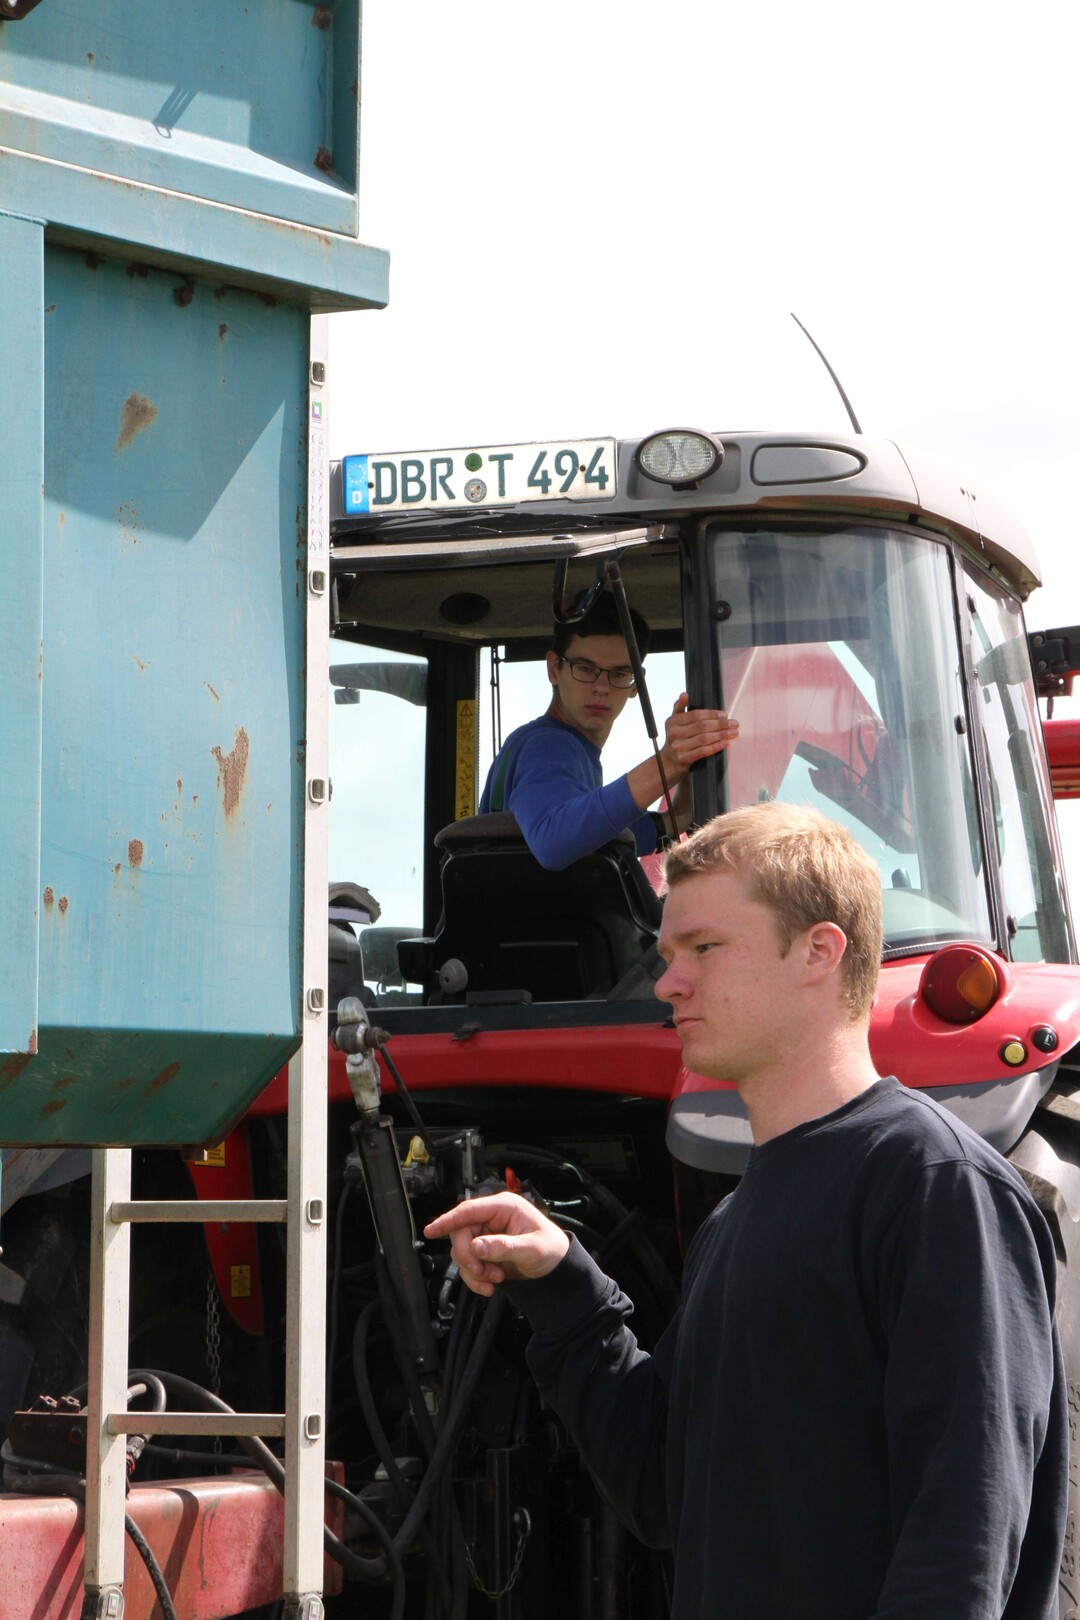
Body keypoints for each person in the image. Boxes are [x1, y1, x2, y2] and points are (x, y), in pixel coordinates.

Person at [425, 802, 1068, 1619]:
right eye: (666, 953)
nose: (667, 981)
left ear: (818, 952)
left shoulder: (934, 1185)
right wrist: (563, 1287)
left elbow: (962, 1531)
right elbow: (667, 1491)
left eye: (703, 947)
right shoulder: (736, 1221)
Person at [478, 591, 738, 869]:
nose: (601, 687)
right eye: (586, 669)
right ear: (554, 669)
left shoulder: (562, 749)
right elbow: (554, 842)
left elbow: (593, 837)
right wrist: (668, 764)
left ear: (636, 682)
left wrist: (677, 815)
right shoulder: (548, 745)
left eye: (618, 674)